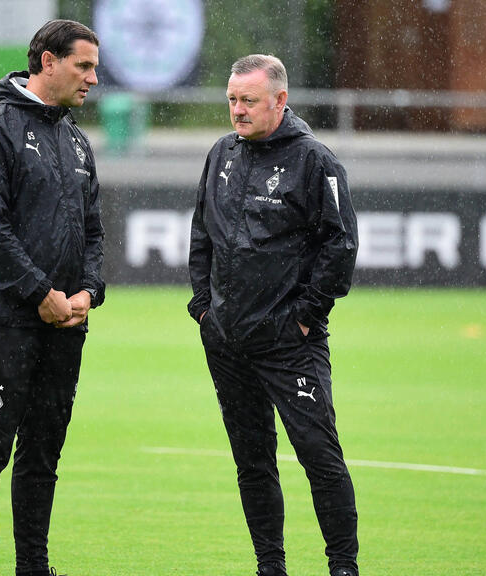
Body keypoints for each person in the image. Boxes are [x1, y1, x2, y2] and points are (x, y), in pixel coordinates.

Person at [188, 54, 360, 576]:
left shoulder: (315, 161)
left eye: (249, 101)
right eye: (232, 100)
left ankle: (343, 567)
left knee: (319, 455)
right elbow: (202, 237)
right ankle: (270, 566)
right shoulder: (221, 153)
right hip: (227, 341)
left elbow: (341, 244)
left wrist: (305, 316)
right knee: (252, 461)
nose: (237, 111)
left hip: (290, 342)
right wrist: (204, 309)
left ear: (279, 101)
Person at [0, 19, 103, 576]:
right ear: (47, 62)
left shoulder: (74, 138)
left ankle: (34, 567)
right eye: (82, 66)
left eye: (93, 67)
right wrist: (39, 292)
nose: (92, 78)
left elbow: (93, 228)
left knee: (43, 453)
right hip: (7, 320)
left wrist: (89, 290)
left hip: (67, 322)